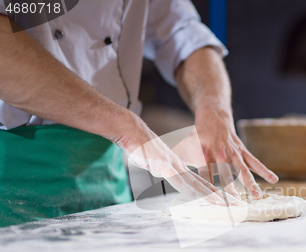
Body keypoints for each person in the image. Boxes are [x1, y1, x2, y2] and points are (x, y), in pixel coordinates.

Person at [0, 0, 278, 228]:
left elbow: (182, 31)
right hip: (12, 188)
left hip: (108, 190)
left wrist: (214, 110)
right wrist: (127, 128)